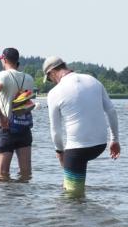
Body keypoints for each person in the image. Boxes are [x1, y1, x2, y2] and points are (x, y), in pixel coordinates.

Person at [43, 56, 121, 195]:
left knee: (71, 196)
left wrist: (60, 152)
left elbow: (55, 130)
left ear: (52, 72)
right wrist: (114, 140)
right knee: (77, 189)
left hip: (77, 150)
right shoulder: (93, 81)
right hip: (100, 145)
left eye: (49, 79)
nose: (51, 82)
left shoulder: (54, 93)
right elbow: (111, 110)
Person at [0, 47, 36, 180]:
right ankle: (22, 199)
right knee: (26, 173)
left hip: (6, 128)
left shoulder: (1, 76)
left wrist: (1, 118)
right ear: (17, 61)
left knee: (2, 174)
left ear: (4, 59)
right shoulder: (29, 78)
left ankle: (6, 200)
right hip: (24, 127)